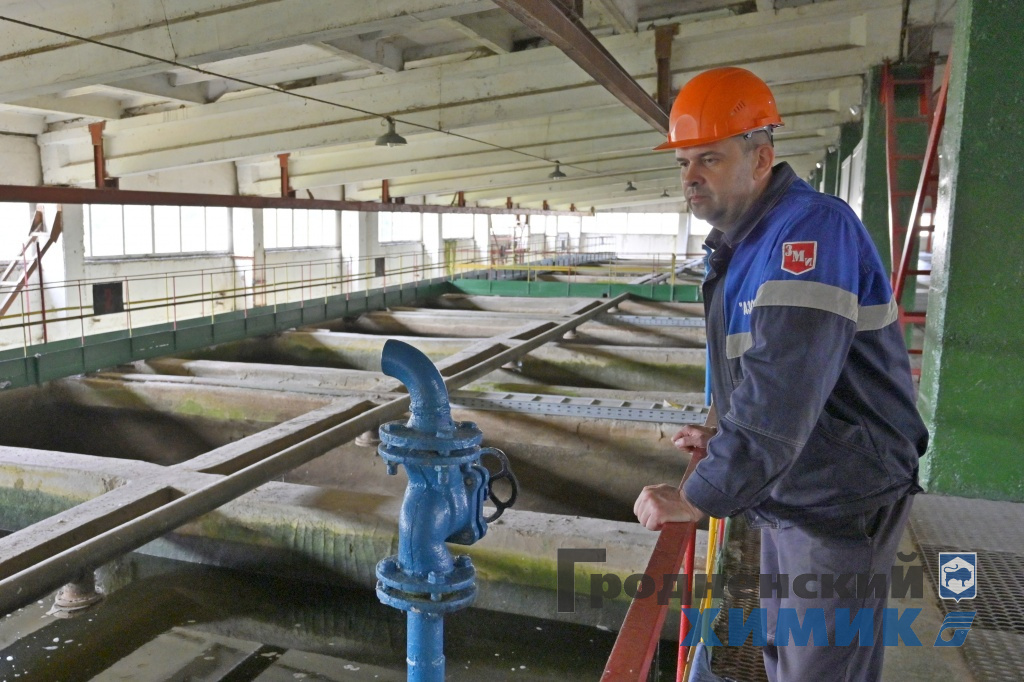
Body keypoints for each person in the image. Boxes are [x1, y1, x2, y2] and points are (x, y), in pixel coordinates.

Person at [633, 67, 928, 682]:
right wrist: (720, 436)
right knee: (786, 653)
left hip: (838, 497)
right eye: (683, 163)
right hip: (797, 491)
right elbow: (746, 373)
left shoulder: (809, 232)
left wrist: (696, 495)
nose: (689, 178)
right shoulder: (742, 245)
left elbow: (780, 393)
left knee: (820, 667)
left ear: (761, 158)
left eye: (708, 159)